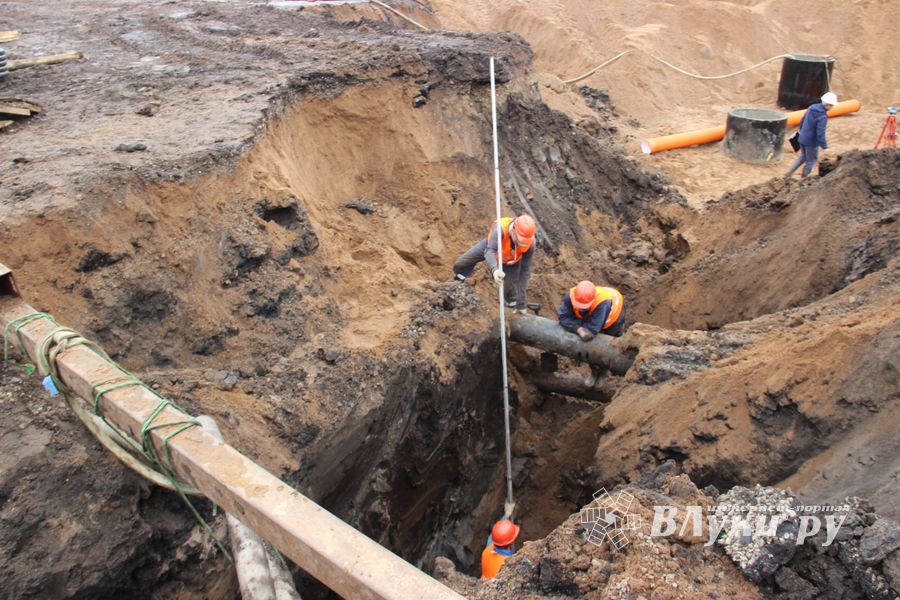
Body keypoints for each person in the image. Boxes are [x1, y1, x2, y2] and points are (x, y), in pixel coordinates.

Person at [452, 215, 537, 312]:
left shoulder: (530, 244)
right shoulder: (500, 229)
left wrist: (521, 304)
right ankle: (458, 284)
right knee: (460, 264)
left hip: (511, 262)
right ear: (513, 231)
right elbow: (490, 251)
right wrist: (495, 269)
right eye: (520, 241)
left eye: (524, 243)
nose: (521, 245)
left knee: (509, 291)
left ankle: (511, 308)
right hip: (490, 249)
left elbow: (525, 271)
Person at [557, 281, 626, 386]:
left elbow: (592, 330)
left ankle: (603, 372)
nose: (580, 308)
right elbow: (562, 317)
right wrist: (578, 328)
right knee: (590, 343)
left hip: (614, 318)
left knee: (610, 346)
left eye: (584, 307)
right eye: (579, 305)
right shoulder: (570, 296)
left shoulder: (603, 304)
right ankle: (594, 372)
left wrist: (574, 325)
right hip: (590, 319)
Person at [786, 91, 837, 178]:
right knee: (811, 160)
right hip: (811, 142)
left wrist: (802, 132)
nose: (833, 107)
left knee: (803, 156)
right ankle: (804, 178)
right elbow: (820, 133)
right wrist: (825, 147)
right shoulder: (822, 116)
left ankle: (788, 173)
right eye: (832, 105)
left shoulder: (811, 108)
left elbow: (802, 120)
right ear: (828, 105)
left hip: (802, 138)